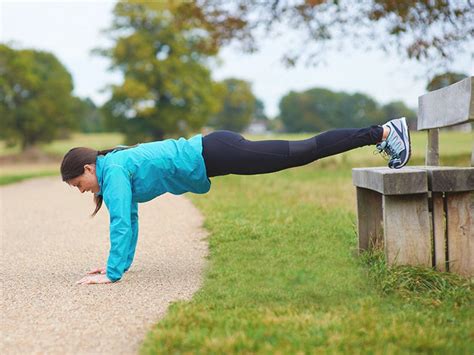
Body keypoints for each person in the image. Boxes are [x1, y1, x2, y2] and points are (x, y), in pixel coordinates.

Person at [61, 117, 411, 285]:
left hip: (216, 152)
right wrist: (115, 266)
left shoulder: (115, 170)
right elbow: (130, 220)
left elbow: (121, 221)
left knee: (302, 151)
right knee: (300, 153)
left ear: (89, 168)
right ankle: (381, 133)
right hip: (216, 151)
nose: (81, 190)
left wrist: (111, 273)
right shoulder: (114, 170)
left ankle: (381, 132)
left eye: (79, 183)